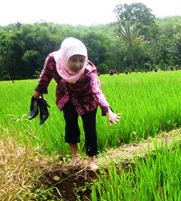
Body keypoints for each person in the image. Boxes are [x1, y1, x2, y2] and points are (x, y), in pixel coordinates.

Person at [33, 37, 121, 171]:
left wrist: (108, 111)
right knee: (71, 126)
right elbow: (45, 76)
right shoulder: (54, 60)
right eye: (73, 60)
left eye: (81, 60)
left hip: (87, 100)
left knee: (90, 129)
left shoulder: (89, 71)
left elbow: (97, 91)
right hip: (67, 97)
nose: (78, 65)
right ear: (65, 57)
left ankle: (91, 160)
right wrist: (37, 93)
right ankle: (74, 157)